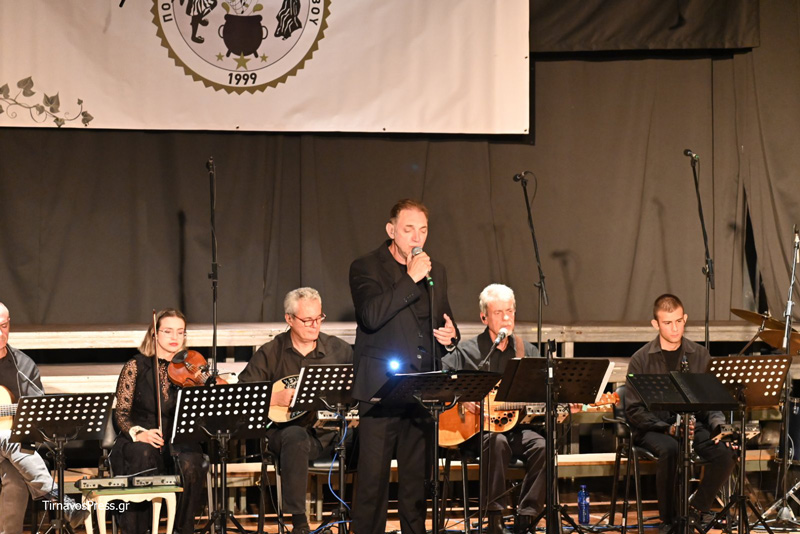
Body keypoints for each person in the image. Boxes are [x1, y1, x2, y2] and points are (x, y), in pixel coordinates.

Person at [349, 198, 459, 534]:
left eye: (422, 230)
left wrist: (451, 335)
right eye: (409, 229)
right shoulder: (366, 267)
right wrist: (410, 278)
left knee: (416, 484)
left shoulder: (436, 270)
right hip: (380, 390)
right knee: (373, 483)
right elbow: (371, 316)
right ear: (391, 230)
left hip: (421, 389)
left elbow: (442, 317)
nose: (416, 237)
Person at [238, 287, 353, 534]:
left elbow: (357, 391)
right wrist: (274, 397)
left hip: (330, 434)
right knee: (295, 437)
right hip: (284, 434)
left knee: (374, 433)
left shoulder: (339, 350)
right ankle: (299, 522)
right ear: (289, 319)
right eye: (307, 320)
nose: (315, 325)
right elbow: (243, 395)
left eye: (319, 318)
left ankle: (358, 514)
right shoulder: (271, 352)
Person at [625, 294, 736, 534]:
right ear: (655, 324)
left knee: (725, 454)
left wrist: (719, 428)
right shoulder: (640, 359)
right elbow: (634, 410)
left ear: (685, 319)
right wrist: (668, 428)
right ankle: (670, 521)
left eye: (678, 321)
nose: (674, 328)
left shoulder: (700, 355)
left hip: (692, 424)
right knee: (672, 449)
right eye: (667, 323)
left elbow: (712, 403)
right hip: (655, 428)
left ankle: (694, 511)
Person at [442, 284, 544, 534]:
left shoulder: (527, 351)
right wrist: (461, 398)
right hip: (476, 433)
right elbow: (441, 381)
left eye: (510, 311)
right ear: (484, 317)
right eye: (498, 312)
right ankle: (494, 518)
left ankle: (527, 516)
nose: (506, 318)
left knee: (542, 446)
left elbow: (540, 393)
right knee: (496, 442)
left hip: (515, 428)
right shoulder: (466, 351)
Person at [111, 308, 209, 534]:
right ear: (154, 334)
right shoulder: (136, 366)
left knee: (192, 462)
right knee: (144, 454)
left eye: (180, 332)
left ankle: (182, 530)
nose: (175, 337)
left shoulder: (192, 369)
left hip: (179, 439)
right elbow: (121, 414)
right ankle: (138, 530)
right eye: (168, 331)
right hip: (141, 438)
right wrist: (139, 433)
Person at [0, 302, 89, 534]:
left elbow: (39, 413)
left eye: (4, 326)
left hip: (14, 449)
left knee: (16, 480)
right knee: (7, 436)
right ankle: (59, 498)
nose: (0, 333)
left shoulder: (23, 365)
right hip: (12, 445)